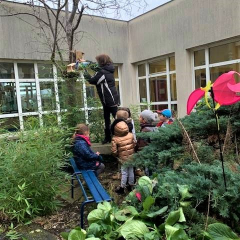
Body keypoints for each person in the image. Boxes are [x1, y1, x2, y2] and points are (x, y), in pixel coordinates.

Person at [83, 54, 119, 144]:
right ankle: (108, 138)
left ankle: (124, 135)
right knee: (107, 119)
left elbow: (92, 80)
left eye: (98, 61)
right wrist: (85, 62)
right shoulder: (107, 69)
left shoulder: (103, 72)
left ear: (101, 62)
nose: (97, 63)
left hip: (110, 99)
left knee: (117, 119)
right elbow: (95, 67)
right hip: (107, 99)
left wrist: (83, 70)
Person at [111, 119, 136, 194]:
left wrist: (116, 156)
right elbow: (134, 144)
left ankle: (122, 187)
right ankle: (131, 185)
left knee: (124, 173)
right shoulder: (131, 135)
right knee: (131, 171)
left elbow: (114, 151)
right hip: (132, 157)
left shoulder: (115, 139)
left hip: (123, 159)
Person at [135, 110, 158, 176]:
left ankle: (151, 183)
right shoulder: (155, 128)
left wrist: (137, 149)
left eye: (140, 117)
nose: (139, 118)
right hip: (154, 154)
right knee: (154, 169)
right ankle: (154, 181)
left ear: (144, 120)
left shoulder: (145, 130)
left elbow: (142, 145)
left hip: (147, 155)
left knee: (148, 170)